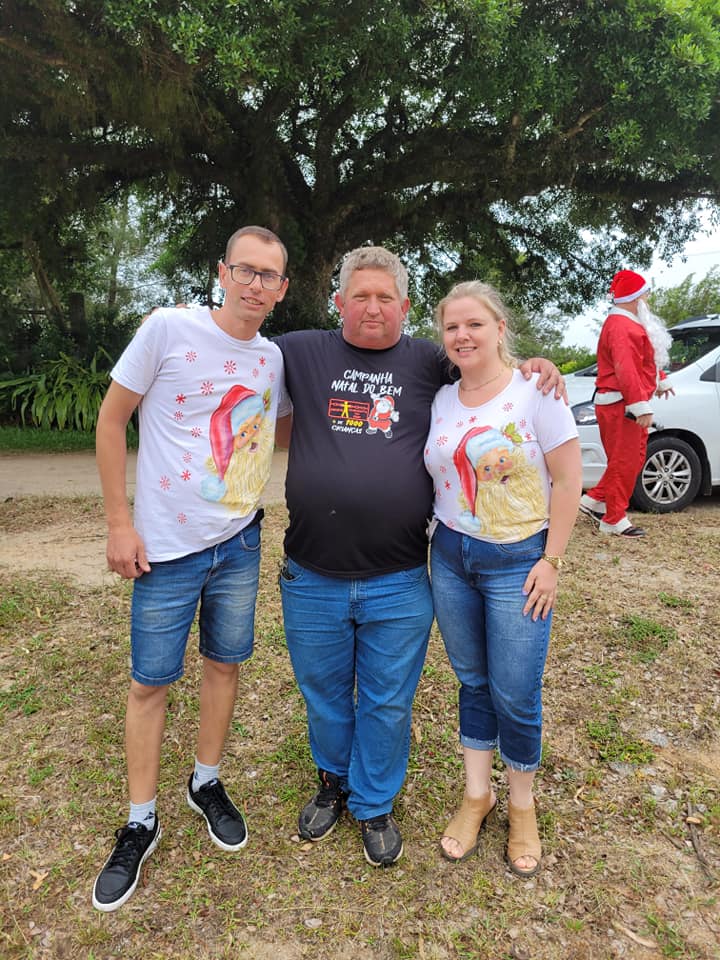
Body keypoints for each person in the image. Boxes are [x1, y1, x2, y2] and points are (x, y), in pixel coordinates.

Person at [273, 247, 565, 867]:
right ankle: (333, 782)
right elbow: (233, 359)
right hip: (312, 572)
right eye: (360, 295)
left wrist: (536, 367)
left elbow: (486, 365)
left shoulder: (429, 361)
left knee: (387, 700)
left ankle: (374, 802)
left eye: (386, 297)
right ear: (338, 301)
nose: (372, 307)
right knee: (324, 692)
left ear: (404, 307)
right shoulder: (298, 351)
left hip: (401, 576)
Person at [92, 225, 291, 911]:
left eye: (269, 275)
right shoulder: (167, 329)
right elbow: (111, 421)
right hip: (164, 550)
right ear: (222, 272)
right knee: (150, 683)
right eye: (246, 270)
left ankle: (205, 781)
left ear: (283, 289)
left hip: (239, 545)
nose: (256, 285)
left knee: (224, 665)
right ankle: (139, 821)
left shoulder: (272, 359)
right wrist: (119, 524)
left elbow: (283, 426)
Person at [424, 281, 581, 877]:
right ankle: (477, 795)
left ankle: (521, 804)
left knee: (515, 690)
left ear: (499, 328)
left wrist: (552, 560)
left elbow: (568, 480)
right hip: (451, 558)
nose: (462, 335)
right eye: (452, 327)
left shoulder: (536, 392)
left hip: (519, 561)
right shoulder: (441, 398)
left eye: (474, 324)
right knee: (472, 681)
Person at [579, 269, 674, 537]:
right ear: (635, 298)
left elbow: (641, 362)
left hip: (621, 402)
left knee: (630, 458)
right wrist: (639, 404)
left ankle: (595, 499)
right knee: (625, 461)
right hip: (621, 404)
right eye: (645, 294)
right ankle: (613, 518)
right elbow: (626, 369)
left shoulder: (625, 323)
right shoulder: (622, 326)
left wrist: (660, 381)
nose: (648, 299)